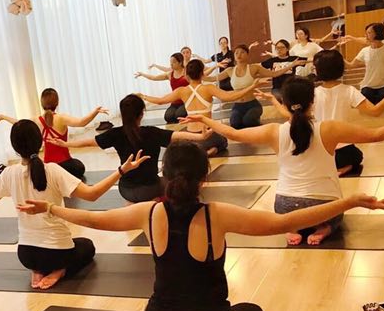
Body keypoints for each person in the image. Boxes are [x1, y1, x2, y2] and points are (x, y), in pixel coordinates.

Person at [17, 142, 384, 311]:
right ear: (204, 178)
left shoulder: (148, 212)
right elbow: (285, 222)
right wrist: (350, 202)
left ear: (165, 177)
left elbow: (94, 219)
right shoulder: (218, 214)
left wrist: (50, 208)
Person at [183, 77, 384, 245]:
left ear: (285, 103)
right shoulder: (329, 129)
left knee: (290, 216)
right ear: (312, 101)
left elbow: (232, 134)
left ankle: (293, 228)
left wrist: (204, 118)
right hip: (324, 207)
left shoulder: (274, 131)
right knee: (332, 216)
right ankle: (323, 228)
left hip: (284, 207)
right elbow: (377, 135)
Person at [0, 119, 149, 289]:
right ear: (40, 142)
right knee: (87, 246)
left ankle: (38, 271)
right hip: (58, 253)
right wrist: (121, 171)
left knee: (57, 251)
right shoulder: (53, 170)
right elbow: (92, 195)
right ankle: (59, 271)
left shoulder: (8, 173)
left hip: (26, 255)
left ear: (14, 147)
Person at [51, 94, 211, 203]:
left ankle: (138, 205)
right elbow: (177, 136)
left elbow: (88, 142)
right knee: (169, 182)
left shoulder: (115, 134)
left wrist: (65, 144)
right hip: (151, 189)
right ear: (141, 114)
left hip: (126, 190)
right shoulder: (152, 132)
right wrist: (201, 137)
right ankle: (152, 203)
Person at [310, 49, 384, 175]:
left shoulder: (312, 93)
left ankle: (328, 168)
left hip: (319, 152)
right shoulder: (349, 91)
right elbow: (376, 111)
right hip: (342, 154)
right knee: (357, 156)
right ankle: (341, 168)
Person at [138, 59, 265, 156]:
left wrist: (143, 96)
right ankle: (210, 151)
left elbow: (160, 101)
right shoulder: (208, 88)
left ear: (186, 75)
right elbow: (230, 96)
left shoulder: (181, 91)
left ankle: (198, 152)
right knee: (223, 141)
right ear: (202, 73)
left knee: (184, 144)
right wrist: (252, 87)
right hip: (207, 135)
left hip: (191, 136)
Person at [0, 89, 108, 180]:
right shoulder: (61, 118)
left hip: (47, 166)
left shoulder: (37, 120)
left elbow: (20, 123)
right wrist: (95, 112)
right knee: (79, 167)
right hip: (65, 164)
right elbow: (82, 122)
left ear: (42, 103)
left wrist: (4, 117)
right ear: (57, 103)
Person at [214, 44, 299, 129]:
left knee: (248, 121)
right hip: (238, 105)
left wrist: (292, 65)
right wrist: (214, 66)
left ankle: (257, 124)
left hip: (252, 105)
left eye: (242, 52)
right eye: (236, 53)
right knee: (235, 124)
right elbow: (212, 78)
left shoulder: (254, 68)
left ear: (247, 55)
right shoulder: (229, 70)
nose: (239, 55)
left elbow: (274, 74)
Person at [135, 52, 190, 124]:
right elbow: (154, 78)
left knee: (179, 115)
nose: (171, 64)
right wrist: (142, 74)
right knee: (168, 117)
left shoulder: (187, 72)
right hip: (175, 102)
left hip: (186, 101)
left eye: (173, 62)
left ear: (180, 62)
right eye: (170, 62)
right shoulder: (169, 74)